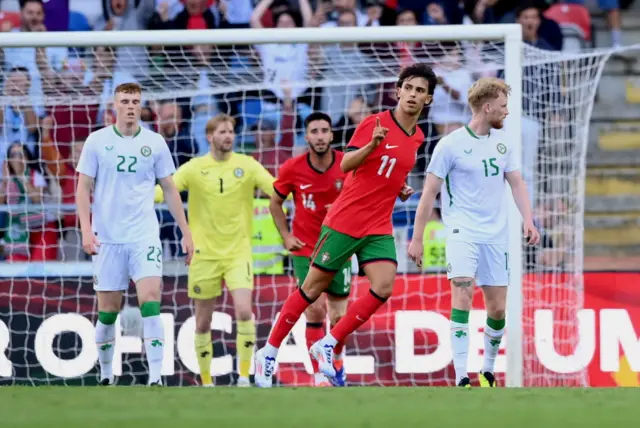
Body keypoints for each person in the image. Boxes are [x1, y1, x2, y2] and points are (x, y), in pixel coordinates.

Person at [254, 63, 437, 387]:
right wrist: (371, 145)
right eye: (408, 88)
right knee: (311, 290)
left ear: (428, 99)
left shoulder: (418, 136)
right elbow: (347, 164)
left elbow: (392, 167)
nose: (412, 94)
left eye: (419, 90)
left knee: (383, 286)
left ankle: (328, 343)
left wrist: (401, 185)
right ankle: (268, 351)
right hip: (345, 220)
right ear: (397, 91)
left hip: (378, 224)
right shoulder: (374, 123)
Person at [407, 77, 541, 388]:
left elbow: (517, 182)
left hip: (496, 235)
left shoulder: (503, 143)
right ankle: (461, 377)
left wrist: (529, 220)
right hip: (461, 230)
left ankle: (489, 371)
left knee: (496, 308)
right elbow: (428, 193)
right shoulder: (450, 144)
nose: (507, 112)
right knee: (463, 294)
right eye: (503, 106)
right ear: (488, 106)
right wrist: (417, 238)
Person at [75, 82, 194, 387]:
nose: (130, 106)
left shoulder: (154, 143)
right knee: (108, 313)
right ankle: (104, 373)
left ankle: (155, 377)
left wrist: (186, 231)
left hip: (144, 235)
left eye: (135, 101)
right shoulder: (97, 141)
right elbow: (83, 188)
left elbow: (169, 189)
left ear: (142, 107)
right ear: (114, 105)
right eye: (125, 101)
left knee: (150, 300)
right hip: (108, 238)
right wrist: (86, 231)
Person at [154, 113, 275, 387]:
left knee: (244, 312)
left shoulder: (248, 165)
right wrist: (134, 193)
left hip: (237, 254)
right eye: (222, 132)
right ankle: (206, 382)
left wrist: (303, 190)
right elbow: (164, 192)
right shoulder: (195, 168)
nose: (228, 136)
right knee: (202, 323)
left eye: (231, 131)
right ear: (210, 137)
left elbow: (276, 189)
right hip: (203, 256)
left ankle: (245, 377)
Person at [269, 111, 350, 387]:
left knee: (339, 316)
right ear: (306, 136)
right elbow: (274, 203)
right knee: (314, 310)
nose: (319, 136)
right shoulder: (292, 168)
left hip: (340, 246)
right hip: (306, 249)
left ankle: (336, 364)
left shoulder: (346, 164)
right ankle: (319, 375)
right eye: (314, 131)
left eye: (324, 131)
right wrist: (285, 236)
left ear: (332, 134)